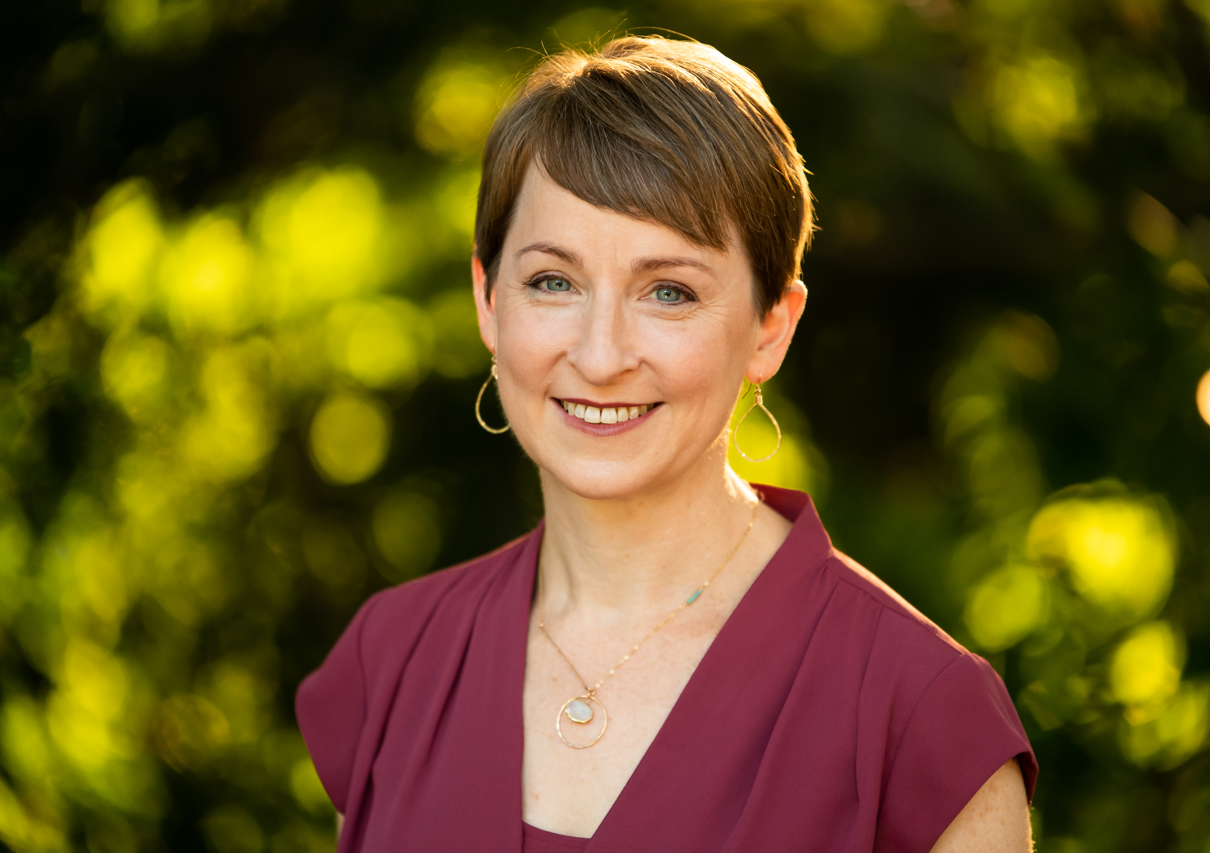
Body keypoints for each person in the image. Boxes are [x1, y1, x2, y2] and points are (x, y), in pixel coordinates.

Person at [296, 35, 1037, 852]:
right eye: (554, 281)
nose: (602, 353)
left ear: (770, 329)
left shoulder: (921, 719)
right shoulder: (391, 662)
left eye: (669, 291)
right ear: (488, 298)